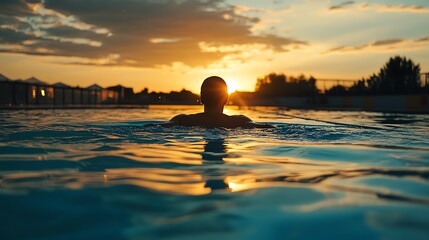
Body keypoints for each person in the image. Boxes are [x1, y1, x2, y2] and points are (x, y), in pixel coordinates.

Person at [161, 76, 274, 128]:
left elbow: (158, 127)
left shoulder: (182, 120)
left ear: (201, 99)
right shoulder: (240, 121)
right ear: (226, 99)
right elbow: (263, 128)